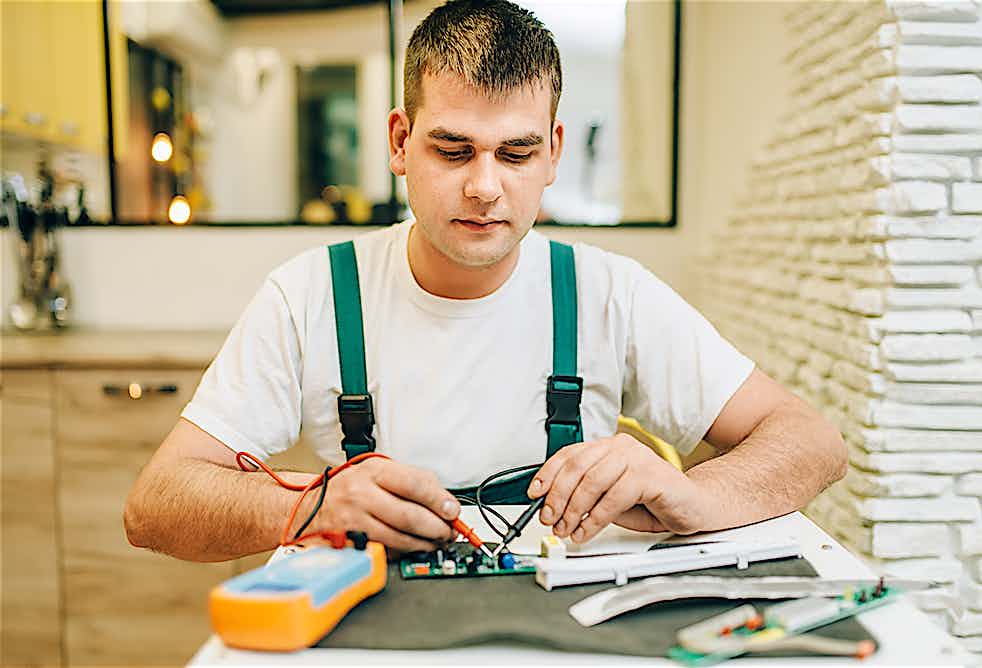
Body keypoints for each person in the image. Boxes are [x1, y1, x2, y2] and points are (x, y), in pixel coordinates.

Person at [124, 0, 846, 562]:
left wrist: (690, 493)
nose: (485, 187)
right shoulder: (309, 294)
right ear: (401, 142)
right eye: (454, 149)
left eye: (516, 152)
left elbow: (811, 442)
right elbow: (155, 505)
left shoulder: (609, 293)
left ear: (553, 153)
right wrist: (308, 507)